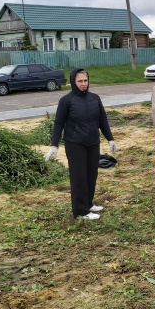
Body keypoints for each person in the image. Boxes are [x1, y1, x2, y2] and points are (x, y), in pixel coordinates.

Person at [45, 68, 116, 221]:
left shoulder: (95, 98)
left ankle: (88, 203)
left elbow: (102, 120)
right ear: (73, 82)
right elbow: (59, 123)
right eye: (80, 81)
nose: (83, 84)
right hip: (75, 143)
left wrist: (110, 138)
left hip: (93, 142)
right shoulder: (66, 100)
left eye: (85, 80)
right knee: (79, 176)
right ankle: (80, 211)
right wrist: (54, 145)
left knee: (91, 174)